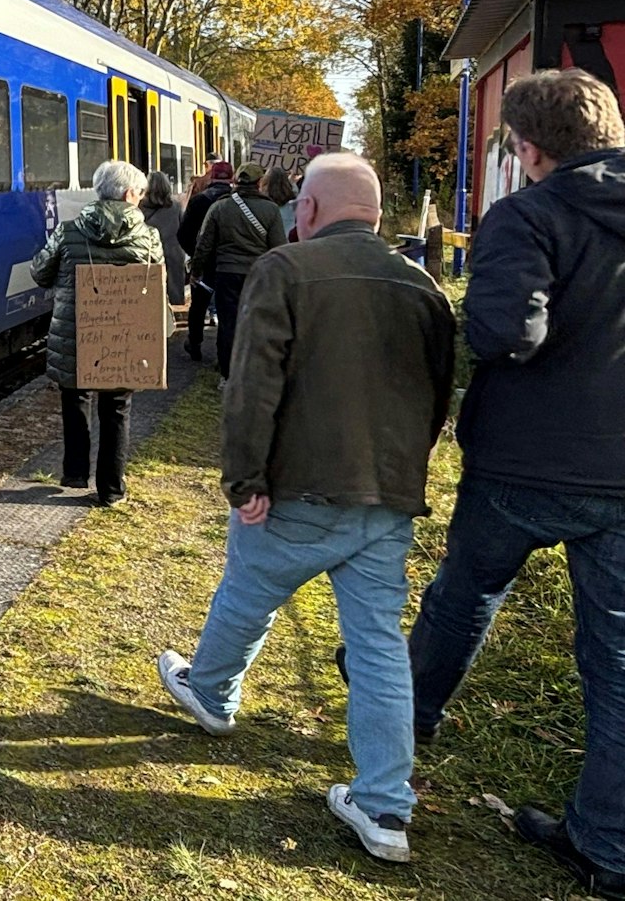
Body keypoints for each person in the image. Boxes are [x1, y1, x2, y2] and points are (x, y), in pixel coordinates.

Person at [157, 153, 456, 864]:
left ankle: (213, 692)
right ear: (378, 215)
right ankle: (386, 805)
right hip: (385, 494)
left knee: (250, 587)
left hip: (298, 484)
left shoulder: (284, 271)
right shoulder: (423, 285)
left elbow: (252, 382)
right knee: (380, 645)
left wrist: (245, 476)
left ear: (309, 211)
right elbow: (437, 393)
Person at [402, 69, 625, 898]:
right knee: (618, 657)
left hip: (524, 461)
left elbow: (505, 332)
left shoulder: (527, 215)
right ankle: (607, 844)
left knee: (465, 597)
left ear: (529, 149)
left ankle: (406, 719)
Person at [31, 159, 165, 506]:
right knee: (117, 407)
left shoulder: (68, 230)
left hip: (75, 334)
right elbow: (156, 285)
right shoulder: (149, 237)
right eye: (140, 192)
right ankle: (110, 490)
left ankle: (75, 473)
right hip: (124, 338)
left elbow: (40, 274)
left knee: (75, 397)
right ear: (127, 193)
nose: (141, 198)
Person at [190, 163, 287, 379]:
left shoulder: (220, 207)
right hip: (258, 275)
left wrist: (196, 272)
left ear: (237, 181)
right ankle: (254, 372)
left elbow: (203, 244)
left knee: (228, 324)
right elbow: (279, 247)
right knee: (256, 322)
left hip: (226, 273)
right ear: (260, 182)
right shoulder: (271, 210)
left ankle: (227, 375)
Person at [177, 160, 234, 363]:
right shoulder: (236, 202)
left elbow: (183, 234)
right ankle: (223, 354)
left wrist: (195, 255)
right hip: (228, 263)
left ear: (212, 177)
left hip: (203, 263)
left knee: (198, 306)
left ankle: (195, 343)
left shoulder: (199, 201)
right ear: (232, 178)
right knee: (227, 308)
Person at [140, 171, 188, 308]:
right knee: (174, 293)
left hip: (149, 254)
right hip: (173, 253)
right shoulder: (176, 206)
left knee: (151, 292)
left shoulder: (139, 207)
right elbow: (183, 230)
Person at [262, 167, 299, 240]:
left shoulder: (263, 200)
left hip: (271, 242)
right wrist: (292, 183)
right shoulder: (293, 199)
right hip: (288, 240)